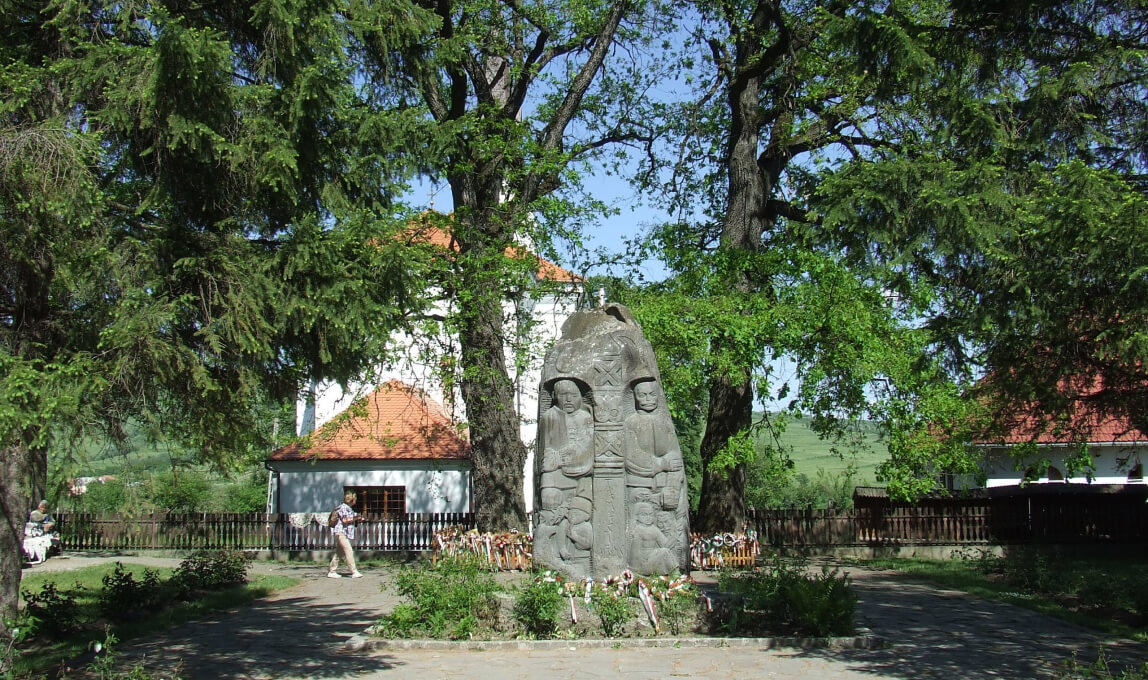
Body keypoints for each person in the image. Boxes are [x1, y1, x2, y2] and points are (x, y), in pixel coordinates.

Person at [328, 491, 364, 578]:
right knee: (349, 550)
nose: (356, 500)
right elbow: (345, 520)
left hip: (341, 533)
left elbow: (349, 518)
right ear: (352, 499)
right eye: (355, 499)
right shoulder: (344, 508)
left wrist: (358, 518)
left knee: (339, 553)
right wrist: (356, 518)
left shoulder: (347, 508)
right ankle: (354, 571)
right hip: (341, 533)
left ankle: (332, 571)